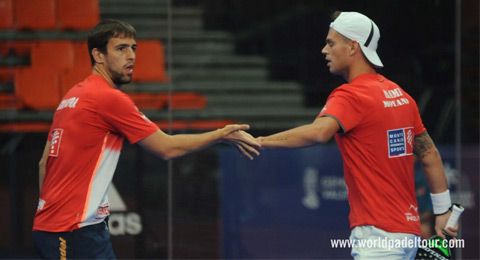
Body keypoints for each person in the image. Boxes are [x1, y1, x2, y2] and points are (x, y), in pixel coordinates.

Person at [32, 19, 260, 259]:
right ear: (98, 55)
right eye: (121, 48)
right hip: (72, 232)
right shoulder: (108, 99)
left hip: (64, 228)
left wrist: (50, 214)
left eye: (133, 48)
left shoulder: (72, 96)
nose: (131, 56)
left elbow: (43, 164)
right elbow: (166, 148)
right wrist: (221, 134)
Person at [255, 11, 457, 259]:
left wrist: (261, 141)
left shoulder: (350, 95)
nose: (323, 50)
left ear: (353, 47)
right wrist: (443, 211)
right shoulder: (402, 96)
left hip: (377, 238)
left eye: (331, 43)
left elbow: (319, 133)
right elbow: (429, 155)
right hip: (409, 236)